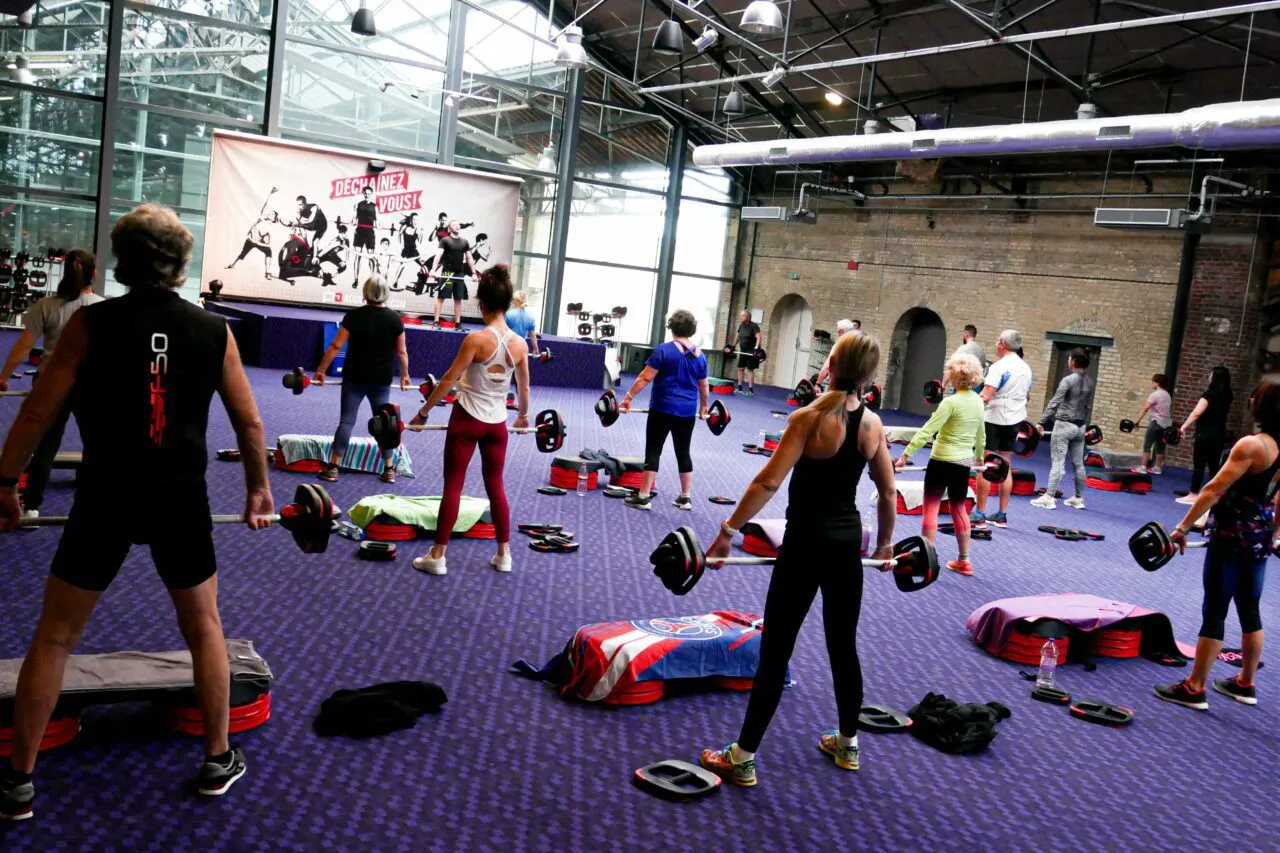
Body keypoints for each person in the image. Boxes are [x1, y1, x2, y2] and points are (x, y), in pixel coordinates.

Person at [0, 204, 273, 820]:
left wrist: (4, 481)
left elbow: (38, 414)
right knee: (204, 628)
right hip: (180, 496)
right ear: (179, 265)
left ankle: (18, 781)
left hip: (106, 494)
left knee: (55, 636)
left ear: (122, 262)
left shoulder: (90, 324)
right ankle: (216, 759)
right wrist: (258, 489)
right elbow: (250, 421)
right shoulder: (213, 330)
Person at [699, 331, 897, 786]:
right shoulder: (871, 425)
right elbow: (887, 491)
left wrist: (727, 532)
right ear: (869, 378)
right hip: (848, 544)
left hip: (805, 543)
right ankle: (848, 746)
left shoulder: (806, 419)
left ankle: (742, 756)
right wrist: (885, 545)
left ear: (830, 364)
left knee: (776, 650)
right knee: (843, 646)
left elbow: (767, 483)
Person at [1154, 378, 1280, 712]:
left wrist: (1181, 528)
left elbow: (1213, 489)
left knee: (1215, 608)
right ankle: (1245, 683)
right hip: (1260, 533)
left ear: (1263, 405)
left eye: (1255, 395)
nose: (1250, 397)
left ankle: (1194, 688)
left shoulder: (1252, 445)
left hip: (1232, 534)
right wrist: (1275, 533)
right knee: (1250, 608)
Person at [408, 265, 530, 576]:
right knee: (496, 485)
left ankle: (437, 556)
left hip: (466, 420)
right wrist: (523, 415)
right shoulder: (520, 344)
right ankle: (504, 555)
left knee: (454, 485)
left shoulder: (476, 339)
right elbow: (524, 386)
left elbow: (449, 380)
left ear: (483, 303)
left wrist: (424, 412)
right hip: (497, 424)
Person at [0, 249, 103, 519]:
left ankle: (32, 506)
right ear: (93, 274)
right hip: (88, 385)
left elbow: (24, 347)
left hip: (49, 383)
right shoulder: (102, 308)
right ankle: (100, 507)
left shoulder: (45, 305)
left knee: (45, 446)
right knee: (98, 444)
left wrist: (3, 377)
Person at [312, 276, 411, 485]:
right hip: (380, 380)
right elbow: (401, 352)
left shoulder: (354, 316)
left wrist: (321, 369)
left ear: (365, 292)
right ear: (386, 293)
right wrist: (405, 376)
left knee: (346, 421)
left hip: (354, 377)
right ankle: (390, 469)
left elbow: (335, 346)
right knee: (386, 425)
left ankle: (333, 468)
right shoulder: (395, 319)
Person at [894, 353, 984, 576]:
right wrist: (980, 458)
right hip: (963, 463)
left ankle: (926, 561)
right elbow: (981, 435)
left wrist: (905, 455)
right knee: (959, 510)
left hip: (941, 461)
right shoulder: (978, 402)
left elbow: (927, 431)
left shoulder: (950, 403)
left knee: (931, 510)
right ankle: (965, 561)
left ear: (955, 375)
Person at [619, 309, 709, 512]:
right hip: (687, 411)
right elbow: (703, 386)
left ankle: (643, 497)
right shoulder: (700, 356)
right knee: (683, 451)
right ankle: (685, 497)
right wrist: (704, 407)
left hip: (662, 408)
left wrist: (628, 398)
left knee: (653, 450)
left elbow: (645, 377)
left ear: (671, 327)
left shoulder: (664, 350)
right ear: (692, 329)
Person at [971, 330, 1032, 529]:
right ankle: (1002, 515)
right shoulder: (1026, 369)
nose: (996, 344)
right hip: (1015, 419)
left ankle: (979, 514)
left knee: (985, 463)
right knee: (1005, 463)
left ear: (1003, 344)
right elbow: (1027, 397)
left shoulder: (999, 367)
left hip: (995, 418)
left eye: (998, 341)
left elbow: (986, 395)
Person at [1030, 348, 1095, 512]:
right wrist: (1084, 425)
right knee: (1078, 464)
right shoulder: (1089, 382)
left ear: (1072, 361)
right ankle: (1078, 498)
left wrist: (1041, 422)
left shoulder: (1067, 380)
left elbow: (1055, 402)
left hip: (1064, 425)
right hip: (1080, 426)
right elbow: (1087, 407)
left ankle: (1049, 497)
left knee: (1058, 461)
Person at [1177, 366, 1234, 505]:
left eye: (1210, 375)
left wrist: (1183, 428)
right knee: (1214, 466)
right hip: (1219, 435)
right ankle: (1215, 495)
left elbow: (1196, 413)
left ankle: (1193, 494)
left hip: (1204, 435)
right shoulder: (1228, 395)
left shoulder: (1208, 395)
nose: (1208, 377)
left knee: (1199, 465)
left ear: (1214, 378)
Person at [428, 220, 475, 329]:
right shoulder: (445, 240)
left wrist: (473, 273)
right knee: (441, 298)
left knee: (458, 299)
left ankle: (458, 324)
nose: (457, 226)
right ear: (449, 228)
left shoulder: (464, 242)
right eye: (454, 225)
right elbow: (438, 256)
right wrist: (433, 270)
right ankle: (436, 322)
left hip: (459, 274)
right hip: (448, 274)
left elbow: (469, 258)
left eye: (458, 224)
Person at [1133, 373, 1173, 475]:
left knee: (1147, 445)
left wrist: (1137, 421)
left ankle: (1143, 468)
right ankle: (1157, 468)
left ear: (1158, 383)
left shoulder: (1155, 394)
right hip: (1166, 424)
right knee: (1160, 446)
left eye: (1153, 381)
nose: (1152, 382)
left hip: (1156, 422)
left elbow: (1146, 408)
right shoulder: (1167, 395)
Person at [351, 185, 378, 289]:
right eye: (365, 193)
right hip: (359, 232)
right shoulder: (358, 205)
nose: (367, 195)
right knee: (358, 256)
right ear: (363, 194)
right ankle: (356, 279)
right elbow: (354, 218)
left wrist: (378, 225)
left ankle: (372, 280)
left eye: (368, 193)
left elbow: (377, 220)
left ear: (371, 194)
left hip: (369, 233)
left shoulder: (375, 206)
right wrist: (353, 222)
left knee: (371, 257)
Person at [816, 319, 856, 389]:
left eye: (838, 332)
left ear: (842, 331)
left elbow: (827, 367)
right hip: (852, 388)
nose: (838, 334)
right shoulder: (856, 346)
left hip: (838, 387)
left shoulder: (839, 345)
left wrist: (818, 384)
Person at [732, 310, 761, 396]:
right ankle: (740, 387)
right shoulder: (741, 326)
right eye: (741, 316)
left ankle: (750, 390)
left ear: (748, 317)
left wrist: (756, 348)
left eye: (743, 316)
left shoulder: (754, 326)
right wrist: (733, 346)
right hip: (743, 350)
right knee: (740, 368)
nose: (741, 317)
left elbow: (759, 337)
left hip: (751, 352)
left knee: (750, 370)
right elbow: (738, 337)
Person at [505, 290, 540, 357]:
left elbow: (502, 332)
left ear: (516, 301)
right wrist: (536, 349)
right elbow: (532, 336)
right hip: (523, 348)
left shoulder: (508, 314)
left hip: (509, 348)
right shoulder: (531, 317)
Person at [392, 212, 420, 290]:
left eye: (417, 220)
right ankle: (395, 282)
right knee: (402, 265)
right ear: (411, 219)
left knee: (423, 265)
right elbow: (399, 234)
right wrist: (401, 245)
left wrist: (421, 233)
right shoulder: (405, 226)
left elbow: (418, 242)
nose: (415, 221)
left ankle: (423, 283)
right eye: (414, 219)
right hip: (406, 249)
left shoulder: (417, 229)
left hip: (414, 250)